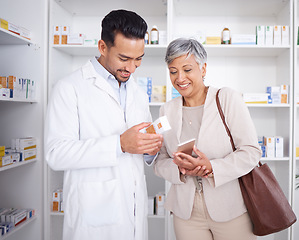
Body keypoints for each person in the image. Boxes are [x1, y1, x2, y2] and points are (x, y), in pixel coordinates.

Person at [44, 9, 163, 240]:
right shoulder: (70, 88)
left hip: (134, 213)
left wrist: (150, 149)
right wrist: (119, 145)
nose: (131, 68)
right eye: (124, 58)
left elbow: (140, 147)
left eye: (139, 59)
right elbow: (55, 153)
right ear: (102, 47)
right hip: (93, 216)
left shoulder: (137, 92)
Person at [154, 38, 262, 240]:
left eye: (187, 69)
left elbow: (251, 152)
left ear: (203, 69)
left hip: (230, 209)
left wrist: (212, 167)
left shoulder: (227, 98)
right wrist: (179, 168)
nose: (180, 78)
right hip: (186, 213)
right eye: (173, 71)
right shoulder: (166, 110)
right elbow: (160, 160)